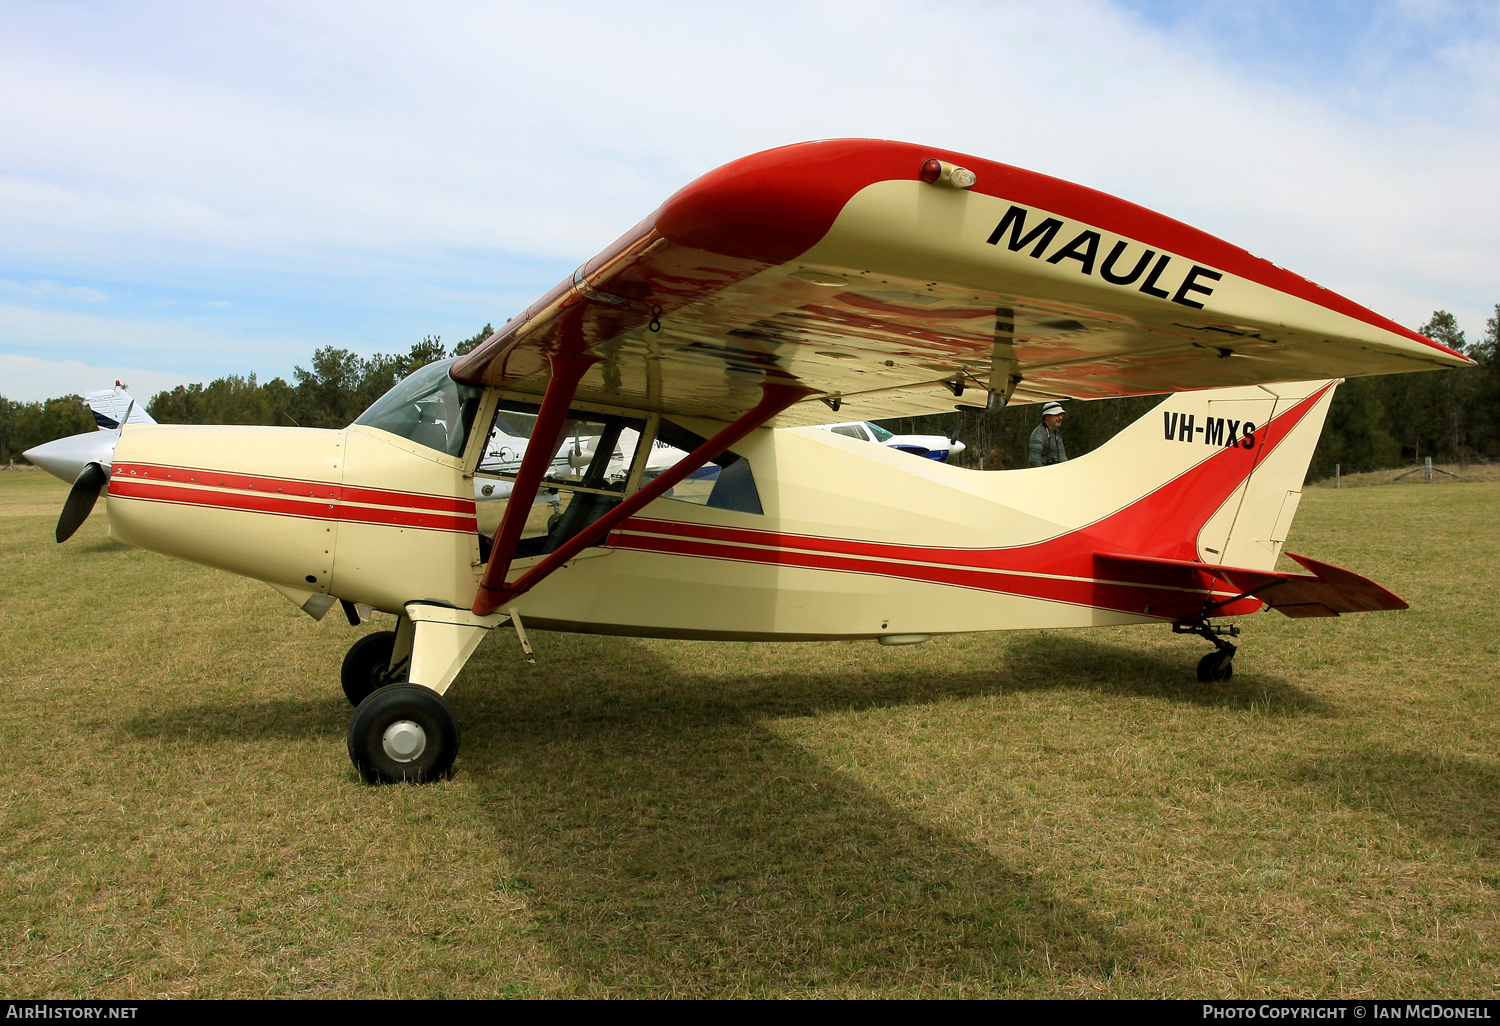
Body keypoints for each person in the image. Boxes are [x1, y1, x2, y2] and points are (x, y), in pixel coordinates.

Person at [1028, 402, 1067, 467]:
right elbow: (1034, 459)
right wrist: (1044, 475)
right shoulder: (1039, 433)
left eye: (1061, 414)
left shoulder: (1057, 434)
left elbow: (1062, 457)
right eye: (1057, 414)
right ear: (1047, 417)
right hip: (1044, 475)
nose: (1060, 417)